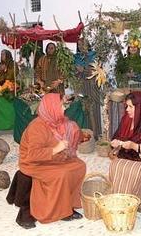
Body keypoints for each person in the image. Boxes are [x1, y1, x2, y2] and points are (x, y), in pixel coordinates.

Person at [19, 93, 86, 224]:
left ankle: (68, 206)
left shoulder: (56, 120)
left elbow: (70, 129)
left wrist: (76, 134)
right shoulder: (37, 127)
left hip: (53, 158)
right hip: (34, 162)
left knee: (79, 166)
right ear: (51, 108)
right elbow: (32, 155)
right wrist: (56, 149)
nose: (64, 109)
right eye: (61, 106)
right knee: (61, 174)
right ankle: (56, 211)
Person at [74, 38, 101, 136]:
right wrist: (76, 71)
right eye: (79, 45)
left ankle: (96, 135)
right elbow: (73, 73)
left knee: (94, 110)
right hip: (81, 86)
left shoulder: (94, 55)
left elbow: (97, 70)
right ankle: (85, 136)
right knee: (83, 109)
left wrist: (84, 69)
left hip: (92, 86)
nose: (81, 47)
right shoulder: (76, 57)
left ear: (88, 44)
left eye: (83, 44)